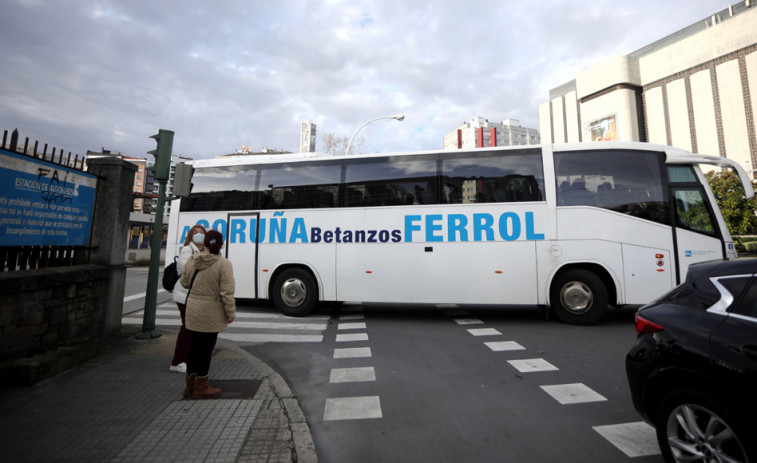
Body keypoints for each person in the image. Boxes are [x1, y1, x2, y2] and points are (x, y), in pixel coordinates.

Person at [179, 229, 236, 399]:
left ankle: (189, 386)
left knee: (194, 347)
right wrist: (230, 312)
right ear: (221, 245)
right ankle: (201, 387)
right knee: (206, 349)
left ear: (203, 243)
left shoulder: (193, 259)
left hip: (193, 309)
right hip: (211, 312)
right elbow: (227, 292)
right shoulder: (223, 264)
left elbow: (184, 282)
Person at [168, 224, 207, 374]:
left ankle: (188, 358)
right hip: (184, 295)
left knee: (193, 328)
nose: (199, 235)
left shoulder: (204, 250)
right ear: (191, 236)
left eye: (201, 233)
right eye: (195, 233)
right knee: (187, 327)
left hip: (195, 295)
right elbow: (187, 269)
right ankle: (177, 361)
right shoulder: (187, 250)